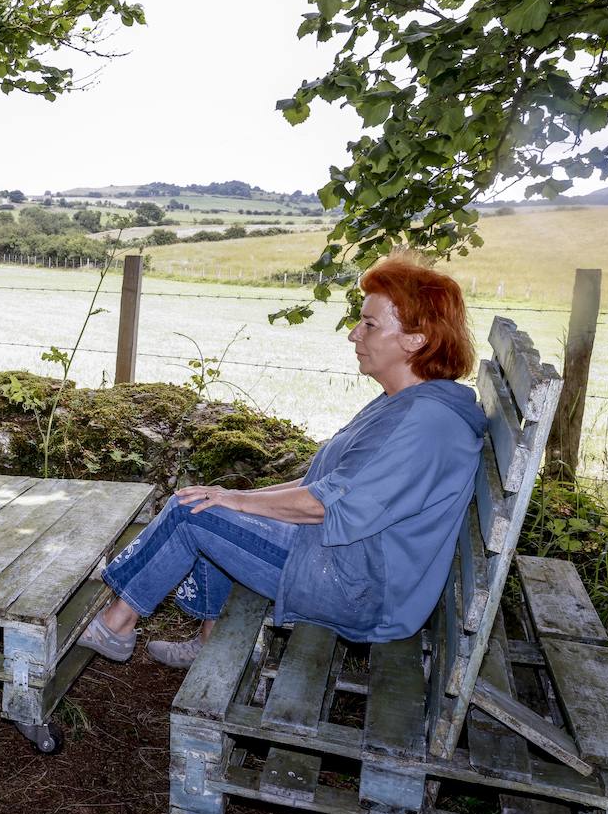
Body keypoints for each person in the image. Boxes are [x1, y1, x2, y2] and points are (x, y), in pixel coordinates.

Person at [78, 251, 487, 666]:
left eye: (369, 324)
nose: (353, 335)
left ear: (416, 339)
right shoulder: (404, 403)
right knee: (210, 501)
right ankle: (212, 643)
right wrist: (232, 498)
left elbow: (325, 505)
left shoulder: (424, 423)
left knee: (192, 512)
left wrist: (235, 502)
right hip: (344, 560)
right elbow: (322, 484)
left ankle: (115, 625)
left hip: (358, 589)